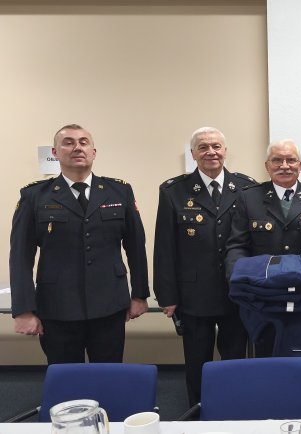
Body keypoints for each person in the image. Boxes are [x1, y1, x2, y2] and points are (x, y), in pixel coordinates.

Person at [10, 123, 149, 364]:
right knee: (65, 377)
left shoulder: (119, 191)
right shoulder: (34, 196)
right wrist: (23, 309)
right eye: (68, 142)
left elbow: (136, 247)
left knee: (108, 375)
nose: (77, 147)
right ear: (55, 153)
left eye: (83, 142)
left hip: (109, 305)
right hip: (57, 307)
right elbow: (21, 256)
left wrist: (140, 295)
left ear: (93, 152)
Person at [224, 139, 301, 390]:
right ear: (267, 166)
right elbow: (237, 245)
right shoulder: (249, 198)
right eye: (277, 160)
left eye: (291, 160)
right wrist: (237, 275)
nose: (284, 165)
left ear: (300, 166)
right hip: (264, 300)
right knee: (267, 366)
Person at [153, 126, 255, 406]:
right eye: (203, 147)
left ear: (225, 151)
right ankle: (198, 411)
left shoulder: (246, 187)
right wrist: (167, 295)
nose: (211, 152)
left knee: (235, 358)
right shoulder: (174, 191)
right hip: (194, 295)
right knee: (197, 360)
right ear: (193, 153)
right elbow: (165, 247)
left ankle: (234, 408)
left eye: (216, 146)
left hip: (236, 292)